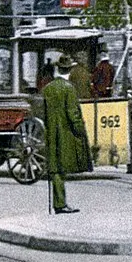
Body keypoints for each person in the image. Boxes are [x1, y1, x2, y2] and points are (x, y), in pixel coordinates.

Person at [38, 60, 89, 214]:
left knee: (54, 168)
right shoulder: (69, 88)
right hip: (66, 133)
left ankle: (59, 202)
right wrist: (81, 131)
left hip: (51, 132)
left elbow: (42, 113)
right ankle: (60, 204)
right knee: (62, 168)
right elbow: (73, 114)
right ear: (69, 71)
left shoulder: (47, 89)